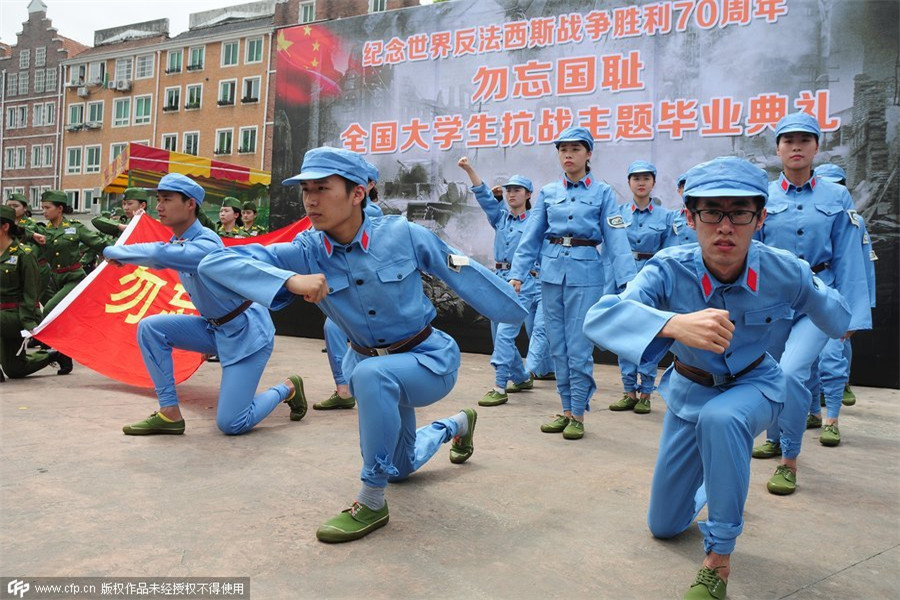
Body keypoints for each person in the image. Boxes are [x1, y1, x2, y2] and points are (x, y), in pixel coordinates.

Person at [197, 147, 527, 542]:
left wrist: (513, 310)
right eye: (306, 190)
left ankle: (371, 501)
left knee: (369, 376)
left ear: (357, 193)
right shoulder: (308, 251)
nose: (311, 200)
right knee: (400, 467)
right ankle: (453, 426)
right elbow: (212, 264)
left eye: (323, 188)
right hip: (378, 371)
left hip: (427, 360)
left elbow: (461, 270)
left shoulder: (402, 234)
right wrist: (289, 281)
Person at [583, 156, 850, 600]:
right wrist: (673, 325)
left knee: (723, 421)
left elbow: (837, 317)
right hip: (689, 391)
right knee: (664, 526)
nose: (725, 226)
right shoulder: (669, 268)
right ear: (689, 217)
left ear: (760, 218)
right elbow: (603, 316)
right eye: (711, 212)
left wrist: (818, 304)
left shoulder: (783, 269)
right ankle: (723, 475)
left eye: (740, 212)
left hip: (755, 385)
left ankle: (718, 558)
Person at [102, 173, 308, 435]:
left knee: (231, 423)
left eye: (167, 199)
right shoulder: (178, 241)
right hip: (214, 328)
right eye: (158, 200)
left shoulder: (207, 244)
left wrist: (116, 252)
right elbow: (163, 250)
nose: (160, 207)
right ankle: (169, 413)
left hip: (246, 335)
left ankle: (287, 387)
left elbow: (159, 255)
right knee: (151, 328)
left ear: (190, 205)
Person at [751, 113, 871, 495]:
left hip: (818, 298)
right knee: (770, 373)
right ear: (778, 149)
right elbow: (751, 253)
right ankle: (773, 435)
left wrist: (850, 313)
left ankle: (789, 459)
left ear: (817, 147)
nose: (796, 147)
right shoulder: (764, 197)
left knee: (791, 372)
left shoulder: (836, 196)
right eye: (788, 141)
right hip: (772, 300)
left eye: (805, 140)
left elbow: (851, 257)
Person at [509, 126, 636, 439]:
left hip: (587, 274)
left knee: (579, 346)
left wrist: (629, 283)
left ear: (588, 154)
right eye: (563, 149)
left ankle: (578, 413)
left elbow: (616, 239)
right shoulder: (549, 193)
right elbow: (532, 235)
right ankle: (564, 409)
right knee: (557, 345)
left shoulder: (604, 193)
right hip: (551, 274)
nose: (568, 154)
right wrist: (517, 273)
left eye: (576, 149)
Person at [458, 157, 552, 407]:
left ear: (528, 194)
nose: (511, 194)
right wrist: (469, 169)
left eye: (517, 190)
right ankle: (520, 378)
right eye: (508, 190)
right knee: (498, 332)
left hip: (523, 281)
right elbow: (483, 196)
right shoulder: (500, 218)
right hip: (498, 279)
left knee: (506, 333)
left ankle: (499, 386)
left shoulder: (536, 221)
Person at [803, 163, 876, 444]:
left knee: (832, 357)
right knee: (804, 363)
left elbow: (861, 267)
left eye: (840, 183)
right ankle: (812, 412)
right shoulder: (804, 215)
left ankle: (831, 418)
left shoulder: (853, 220)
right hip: (801, 292)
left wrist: (858, 310)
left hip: (833, 292)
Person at [316, 159, 383, 411]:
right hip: (346, 289)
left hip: (369, 291)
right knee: (333, 329)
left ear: (368, 186)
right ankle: (345, 390)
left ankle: (353, 389)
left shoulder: (371, 213)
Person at [606, 160, 672, 415]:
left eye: (646, 178)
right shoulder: (617, 215)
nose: (641, 182)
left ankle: (646, 392)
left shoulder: (665, 217)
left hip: (651, 281)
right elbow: (610, 253)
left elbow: (669, 253)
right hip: (623, 280)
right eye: (636, 178)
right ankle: (627, 391)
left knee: (648, 335)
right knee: (624, 334)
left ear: (653, 182)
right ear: (629, 183)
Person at [32, 191, 111, 374]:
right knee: (64, 322)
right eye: (42, 207)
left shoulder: (75, 228)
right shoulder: (44, 231)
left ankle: (53, 350)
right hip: (56, 279)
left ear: (59, 209)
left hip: (74, 278)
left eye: (47, 207)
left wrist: (121, 253)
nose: (43, 211)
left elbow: (99, 243)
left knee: (49, 310)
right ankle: (64, 358)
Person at [0, 205, 59, 380]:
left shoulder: (24, 255)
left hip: (17, 315)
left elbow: (31, 294)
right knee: (14, 369)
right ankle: (53, 355)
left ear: (5, 227)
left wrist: (29, 324)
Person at [668, 171, 698, 247]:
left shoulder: (705, 215)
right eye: (684, 186)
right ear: (679, 191)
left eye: (691, 185)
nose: (688, 189)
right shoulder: (672, 217)